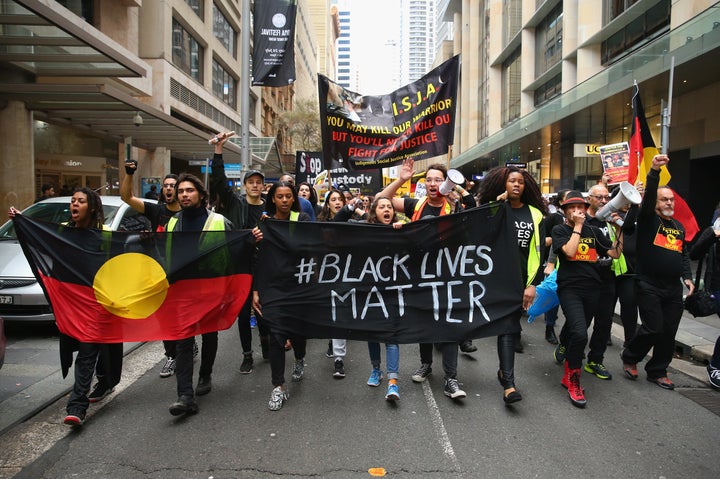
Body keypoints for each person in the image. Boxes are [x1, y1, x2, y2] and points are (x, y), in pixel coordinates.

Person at [12, 188, 122, 426]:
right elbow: (39, 239)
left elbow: (119, 264)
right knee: (89, 350)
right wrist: (22, 222)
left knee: (87, 352)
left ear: (91, 208)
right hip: (73, 305)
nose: (75, 205)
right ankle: (101, 382)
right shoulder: (63, 231)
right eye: (73, 201)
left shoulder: (105, 234)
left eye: (80, 201)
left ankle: (77, 406)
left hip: (97, 304)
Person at [376, 158, 473, 400]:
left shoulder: (454, 207)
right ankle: (426, 364)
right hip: (420, 276)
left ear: (446, 183)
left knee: (449, 326)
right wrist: (402, 179)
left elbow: (475, 216)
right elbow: (380, 200)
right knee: (425, 323)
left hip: (448, 276)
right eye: (428, 179)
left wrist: (457, 192)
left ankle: (451, 379)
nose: (433, 183)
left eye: (438, 180)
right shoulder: (415, 204)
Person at [621, 154, 694, 390]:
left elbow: (683, 255)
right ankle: (631, 356)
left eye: (671, 200)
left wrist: (688, 278)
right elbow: (649, 194)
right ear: (654, 203)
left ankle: (657, 370)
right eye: (664, 200)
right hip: (648, 284)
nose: (669, 203)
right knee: (653, 326)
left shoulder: (678, 227)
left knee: (669, 332)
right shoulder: (648, 220)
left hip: (673, 288)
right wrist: (654, 172)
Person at [478, 166, 548, 404]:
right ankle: (509, 383)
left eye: (520, 181)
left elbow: (540, 253)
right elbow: (481, 232)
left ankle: (504, 375)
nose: (516, 185)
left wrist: (533, 285)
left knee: (510, 328)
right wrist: (497, 206)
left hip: (522, 282)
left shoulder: (536, 215)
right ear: (503, 186)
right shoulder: (496, 209)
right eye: (512, 181)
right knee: (507, 327)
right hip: (498, 281)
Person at [166, 173, 234, 416]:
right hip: (183, 291)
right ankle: (185, 395)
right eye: (181, 191)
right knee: (183, 341)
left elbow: (234, 253)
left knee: (209, 334)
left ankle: (205, 374)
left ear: (201, 195)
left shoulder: (219, 221)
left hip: (210, 290)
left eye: (189, 191)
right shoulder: (173, 222)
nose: (184, 194)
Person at [551, 190, 623, 407]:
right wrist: (578, 227)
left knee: (581, 332)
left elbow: (615, 253)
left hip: (594, 290)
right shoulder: (560, 229)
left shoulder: (593, 230)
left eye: (580, 208)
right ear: (565, 212)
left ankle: (569, 371)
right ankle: (574, 379)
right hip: (570, 289)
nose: (577, 211)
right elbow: (571, 252)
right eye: (572, 208)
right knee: (580, 334)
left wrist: (620, 230)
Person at [209, 131, 270, 374]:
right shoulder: (236, 204)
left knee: (264, 310)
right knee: (243, 315)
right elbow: (219, 182)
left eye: (258, 182)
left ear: (263, 185)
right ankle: (247, 354)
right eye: (250, 182)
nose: (255, 185)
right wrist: (218, 151)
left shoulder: (270, 207)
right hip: (240, 266)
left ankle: (266, 344)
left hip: (264, 267)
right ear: (244, 186)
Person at [120, 161, 187, 378]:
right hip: (159, 274)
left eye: (172, 185)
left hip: (184, 273)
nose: (168, 188)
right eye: (165, 185)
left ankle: (186, 345)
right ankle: (171, 355)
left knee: (183, 316)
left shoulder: (189, 214)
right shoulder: (156, 211)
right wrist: (129, 174)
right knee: (165, 317)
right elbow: (126, 198)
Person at [252, 181, 311, 410]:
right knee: (277, 335)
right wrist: (256, 289)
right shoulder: (264, 224)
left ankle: (299, 358)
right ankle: (278, 386)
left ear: (293, 199)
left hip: (298, 286)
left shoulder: (303, 220)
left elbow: (310, 249)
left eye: (288, 196)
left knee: (297, 332)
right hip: (272, 287)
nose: (285, 200)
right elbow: (257, 258)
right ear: (273, 199)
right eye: (280, 196)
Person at [362, 196, 404, 400]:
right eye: (382, 207)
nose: (386, 209)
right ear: (374, 212)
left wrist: (403, 232)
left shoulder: (400, 230)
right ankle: (376, 369)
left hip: (393, 293)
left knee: (391, 336)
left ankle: (393, 381)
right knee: (372, 334)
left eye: (389, 207)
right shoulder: (365, 231)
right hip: (370, 292)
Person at [689, 218, 720, 389]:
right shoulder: (714, 229)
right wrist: (714, 236)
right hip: (717, 287)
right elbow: (694, 254)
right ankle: (715, 367)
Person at [540, 190, 569, 344]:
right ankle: (549, 327)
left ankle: (570, 337)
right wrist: (550, 263)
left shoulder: (584, 221)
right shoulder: (555, 218)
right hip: (557, 265)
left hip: (577, 268)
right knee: (553, 299)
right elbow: (542, 236)